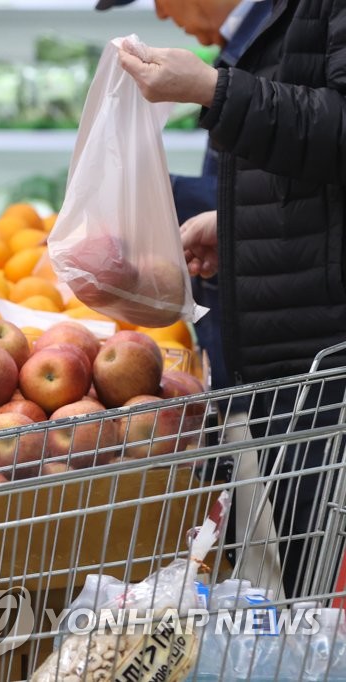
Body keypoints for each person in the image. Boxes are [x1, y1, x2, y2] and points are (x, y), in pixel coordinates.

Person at [119, 0, 346, 599]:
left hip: (325, 358)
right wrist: (239, 223)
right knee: (305, 598)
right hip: (296, 352)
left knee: (320, 602)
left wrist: (211, 89)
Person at [98, 0, 271, 391]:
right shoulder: (245, 43)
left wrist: (167, 198)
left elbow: (292, 185)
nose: (161, 14)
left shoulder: (273, 39)